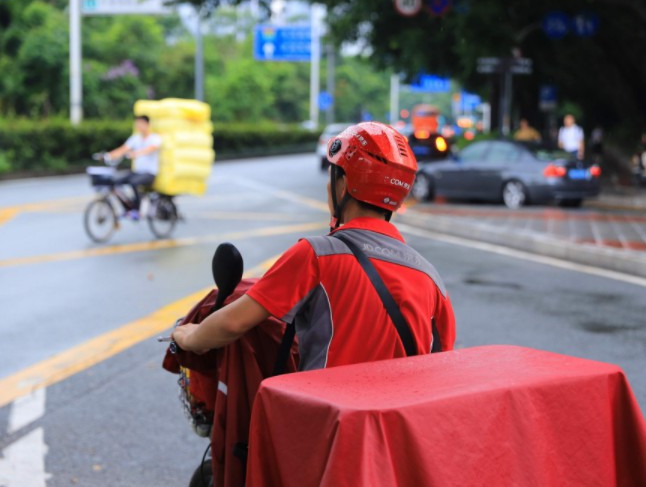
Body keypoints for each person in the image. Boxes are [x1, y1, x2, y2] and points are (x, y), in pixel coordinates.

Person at [172, 122, 456, 370]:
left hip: (329, 425)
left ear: (344, 186)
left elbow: (233, 324)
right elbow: (440, 361)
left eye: (333, 176)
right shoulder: (431, 278)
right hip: (395, 429)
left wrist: (189, 336)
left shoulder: (317, 255)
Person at [107, 115, 162, 219]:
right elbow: (123, 149)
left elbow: (151, 149)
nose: (139, 126)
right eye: (137, 124)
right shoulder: (135, 138)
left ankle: (137, 210)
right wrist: (108, 155)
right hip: (137, 172)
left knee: (134, 183)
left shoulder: (155, 138)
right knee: (116, 182)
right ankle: (128, 207)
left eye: (141, 124)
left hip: (150, 173)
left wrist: (136, 153)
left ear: (147, 125)